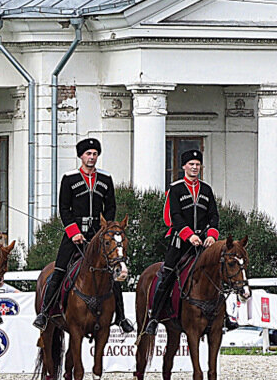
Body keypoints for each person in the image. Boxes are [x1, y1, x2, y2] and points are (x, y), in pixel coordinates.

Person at [33, 138, 135, 333]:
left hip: (99, 235)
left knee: (111, 275)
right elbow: (64, 208)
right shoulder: (70, 178)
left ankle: (121, 317)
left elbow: (111, 206)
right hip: (75, 233)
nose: (92, 157)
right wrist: (74, 232)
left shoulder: (105, 179)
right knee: (60, 270)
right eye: (88, 154)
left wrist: (106, 230)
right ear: (81, 156)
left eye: (95, 154)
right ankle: (45, 312)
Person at [142, 149, 219, 336]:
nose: (194, 167)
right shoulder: (175, 189)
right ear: (184, 166)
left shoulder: (206, 190)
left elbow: (214, 215)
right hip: (181, 242)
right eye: (191, 164)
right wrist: (188, 235)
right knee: (166, 274)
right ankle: (154, 316)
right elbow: (172, 217)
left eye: (197, 164)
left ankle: (224, 317)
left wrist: (211, 235)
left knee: (218, 272)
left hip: (203, 243)